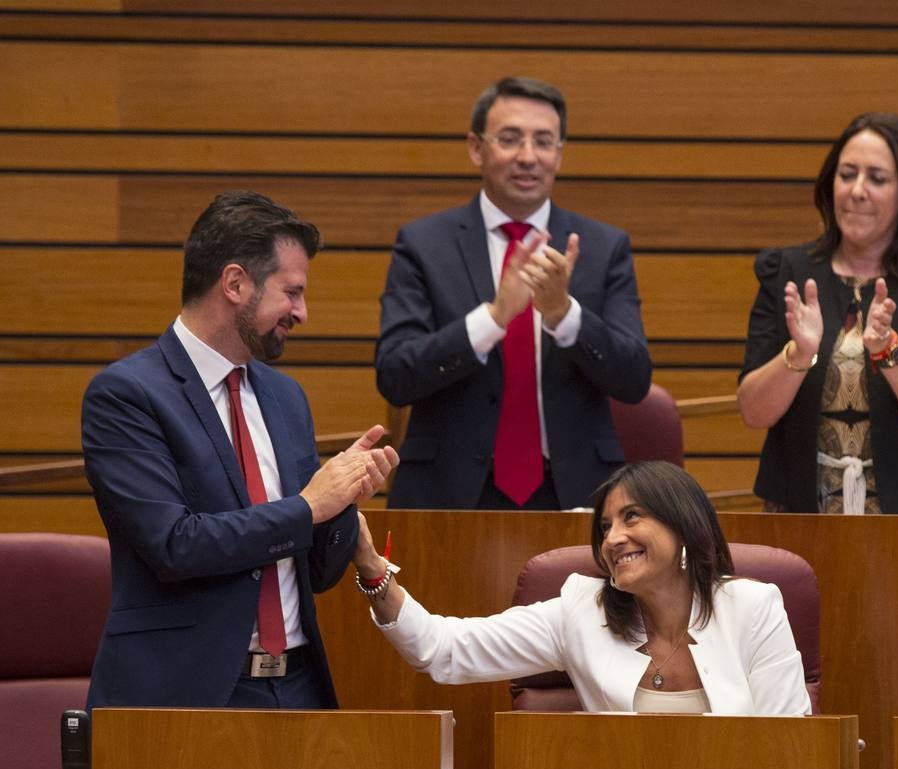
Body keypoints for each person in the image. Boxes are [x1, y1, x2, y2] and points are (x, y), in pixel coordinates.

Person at [83, 191, 398, 710]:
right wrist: (309, 506)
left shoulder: (285, 397)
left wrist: (345, 501)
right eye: (291, 292)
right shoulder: (127, 395)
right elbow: (174, 545)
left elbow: (314, 572)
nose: (302, 312)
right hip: (186, 695)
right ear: (235, 283)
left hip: (297, 687)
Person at [377, 76, 652, 511]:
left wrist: (564, 314)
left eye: (543, 142)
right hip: (448, 494)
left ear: (559, 154)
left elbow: (634, 379)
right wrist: (493, 318)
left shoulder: (603, 247)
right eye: (509, 139)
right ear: (476, 147)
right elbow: (395, 376)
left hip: (575, 494)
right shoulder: (423, 244)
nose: (528, 157)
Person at [352, 461, 811, 715]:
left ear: (683, 525)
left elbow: (789, 751)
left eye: (632, 518)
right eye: (606, 526)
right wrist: (373, 572)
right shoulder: (580, 612)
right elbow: (442, 649)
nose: (612, 539)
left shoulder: (755, 608)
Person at [737, 112, 898, 514]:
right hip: (800, 515)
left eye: (877, 179)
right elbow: (754, 411)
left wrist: (889, 349)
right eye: (847, 175)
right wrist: (798, 355)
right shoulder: (786, 273)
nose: (857, 191)